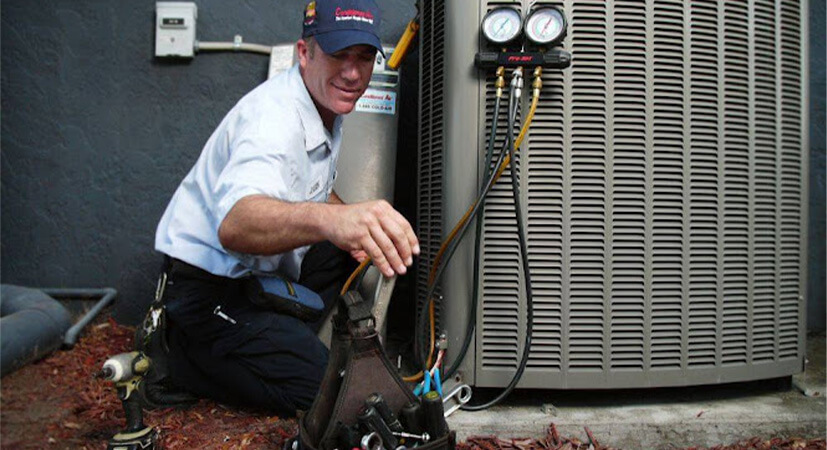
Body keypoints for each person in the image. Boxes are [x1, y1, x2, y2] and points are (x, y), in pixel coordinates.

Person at [148, 0, 418, 416]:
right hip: (211, 288)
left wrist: (354, 219)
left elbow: (309, 191)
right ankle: (182, 358)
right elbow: (236, 224)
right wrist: (337, 220)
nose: (352, 72)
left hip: (262, 272)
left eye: (363, 57)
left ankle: (275, 340)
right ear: (304, 52)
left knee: (346, 248)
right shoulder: (272, 120)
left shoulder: (323, 104)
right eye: (337, 55)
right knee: (330, 395)